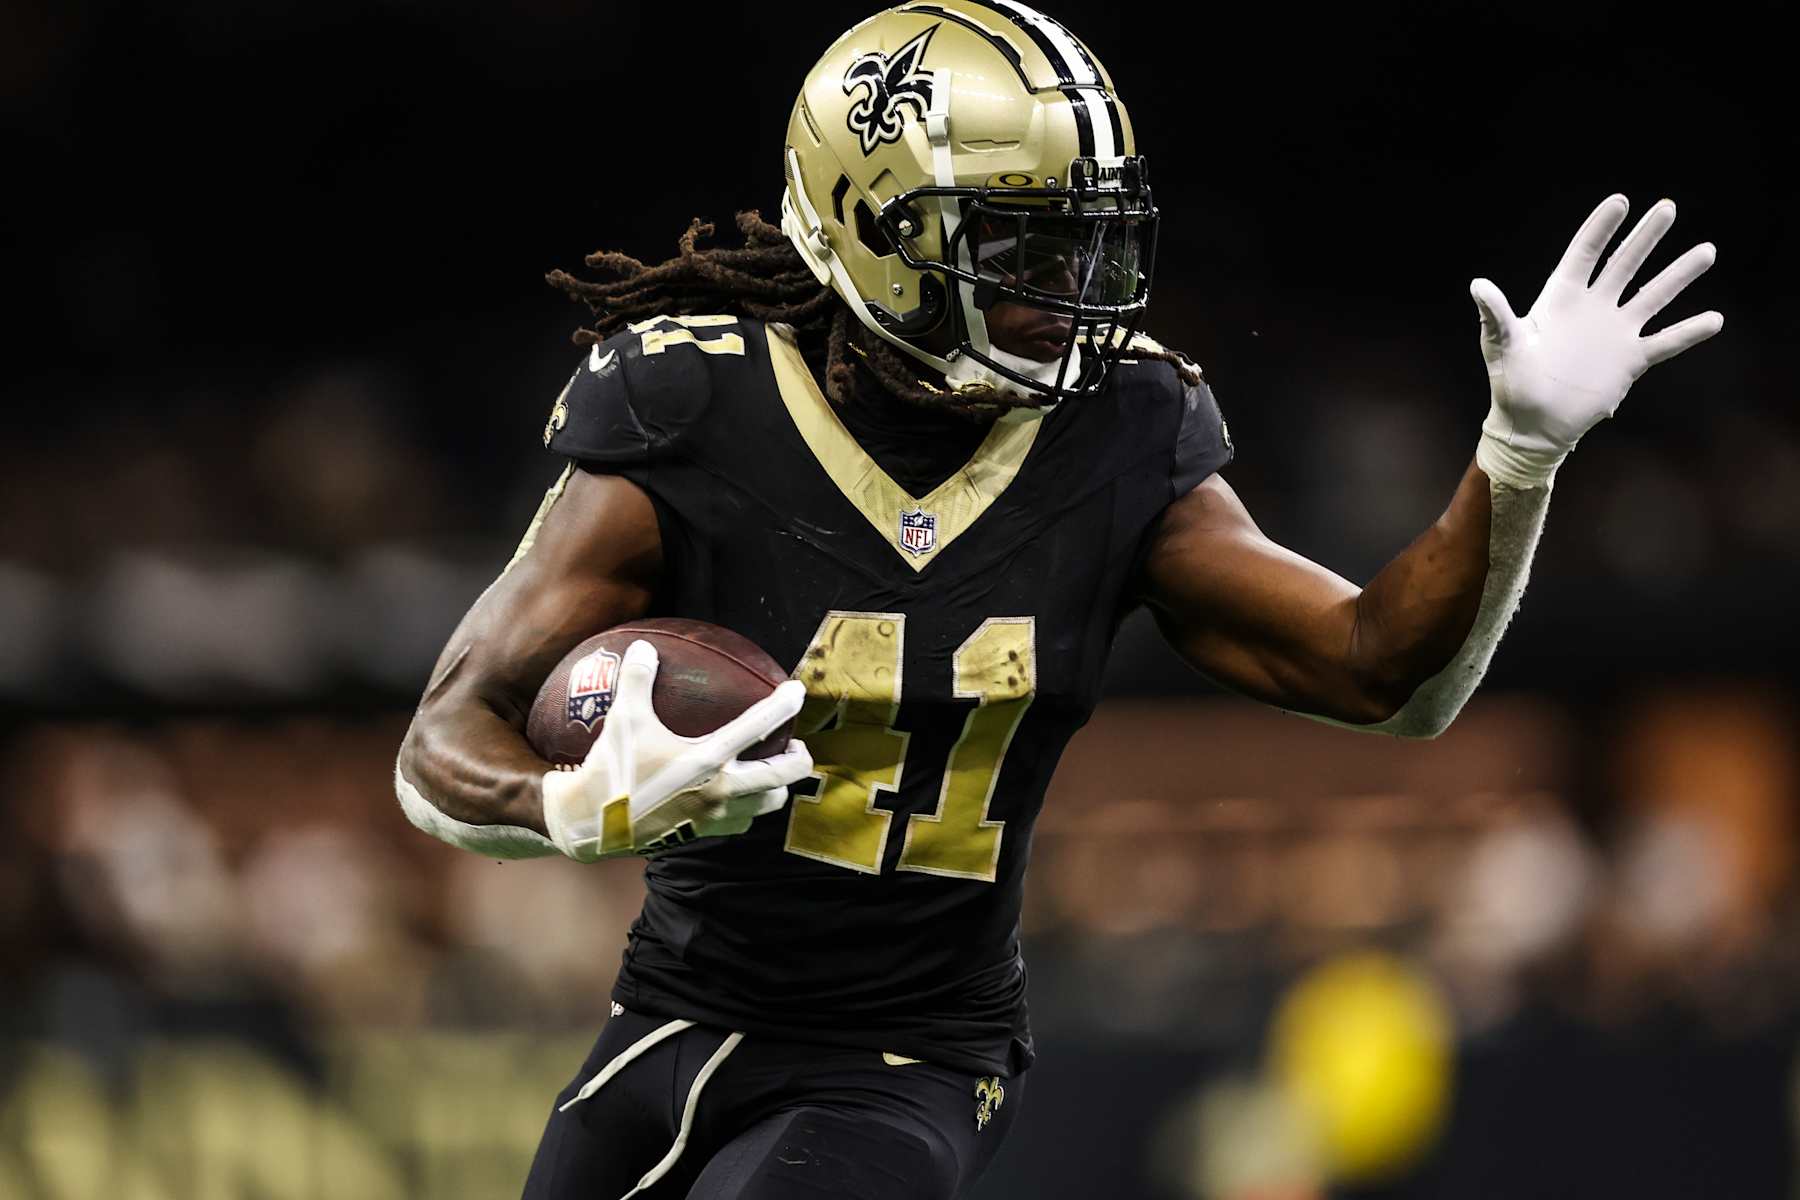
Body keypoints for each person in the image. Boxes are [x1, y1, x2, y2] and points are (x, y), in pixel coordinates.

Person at [393, 2, 1722, 1197]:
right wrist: (568, 806)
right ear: (879, 232)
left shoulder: (1122, 431)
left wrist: (1518, 457)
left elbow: (1387, 676)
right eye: (1022, 246)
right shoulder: (693, 403)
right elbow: (445, 738)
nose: (1070, 295)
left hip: (910, 1053)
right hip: (672, 1017)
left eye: (1088, 247)